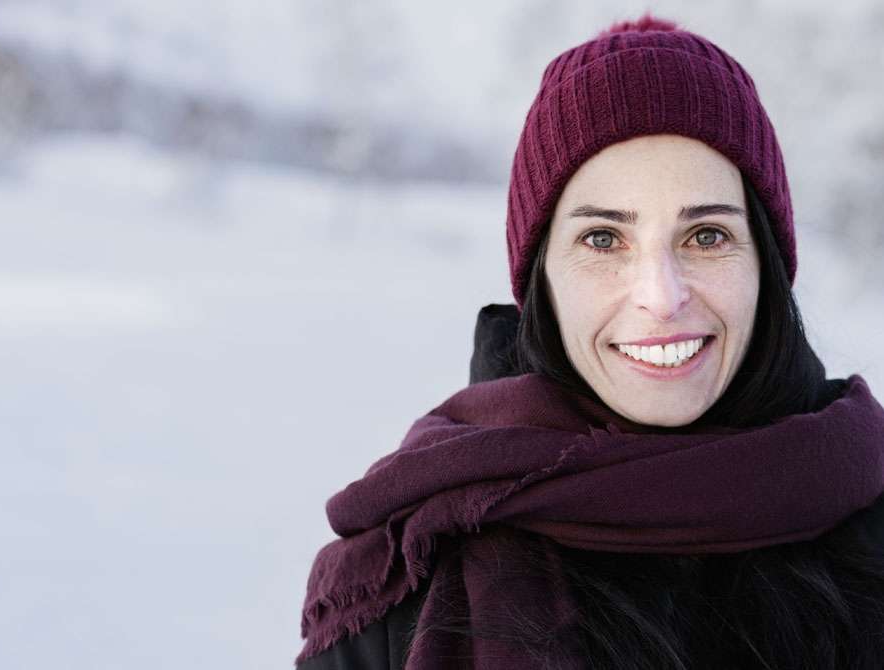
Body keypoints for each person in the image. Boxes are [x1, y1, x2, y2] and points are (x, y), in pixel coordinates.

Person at [295, 14, 884, 670]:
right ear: (539, 278)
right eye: (603, 239)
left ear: (764, 265)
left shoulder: (867, 509)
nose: (661, 296)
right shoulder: (413, 566)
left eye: (707, 236)